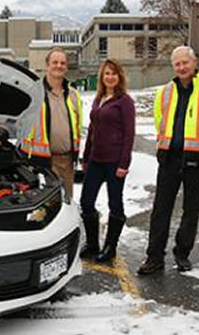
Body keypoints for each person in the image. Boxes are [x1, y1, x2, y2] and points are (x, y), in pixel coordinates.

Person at [137, 46, 199, 275]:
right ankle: (154, 257)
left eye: (185, 62)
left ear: (195, 62)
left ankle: (182, 253)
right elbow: (159, 121)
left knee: (191, 210)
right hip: (169, 158)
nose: (182, 67)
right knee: (160, 210)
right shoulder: (165, 92)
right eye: (177, 64)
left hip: (198, 159)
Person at [0, 47, 83, 201]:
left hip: (67, 161)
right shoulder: (32, 92)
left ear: (66, 67)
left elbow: (77, 125)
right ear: (47, 65)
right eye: (55, 62)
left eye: (62, 63)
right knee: (47, 206)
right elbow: (13, 118)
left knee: (67, 202)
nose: (59, 66)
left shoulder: (73, 95)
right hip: (42, 162)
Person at [79, 58, 135, 261]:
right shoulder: (99, 98)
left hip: (114, 162)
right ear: (102, 77)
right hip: (95, 160)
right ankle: (93, 244)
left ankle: (110, 247)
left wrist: (124, 163)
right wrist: (86, 157)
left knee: (115, 204)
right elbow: (93, 129)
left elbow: (129, 134)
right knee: (86, 202)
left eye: (114, 73)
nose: (110, 77)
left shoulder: (125, 101)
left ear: (119, 76)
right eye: (106, 73)